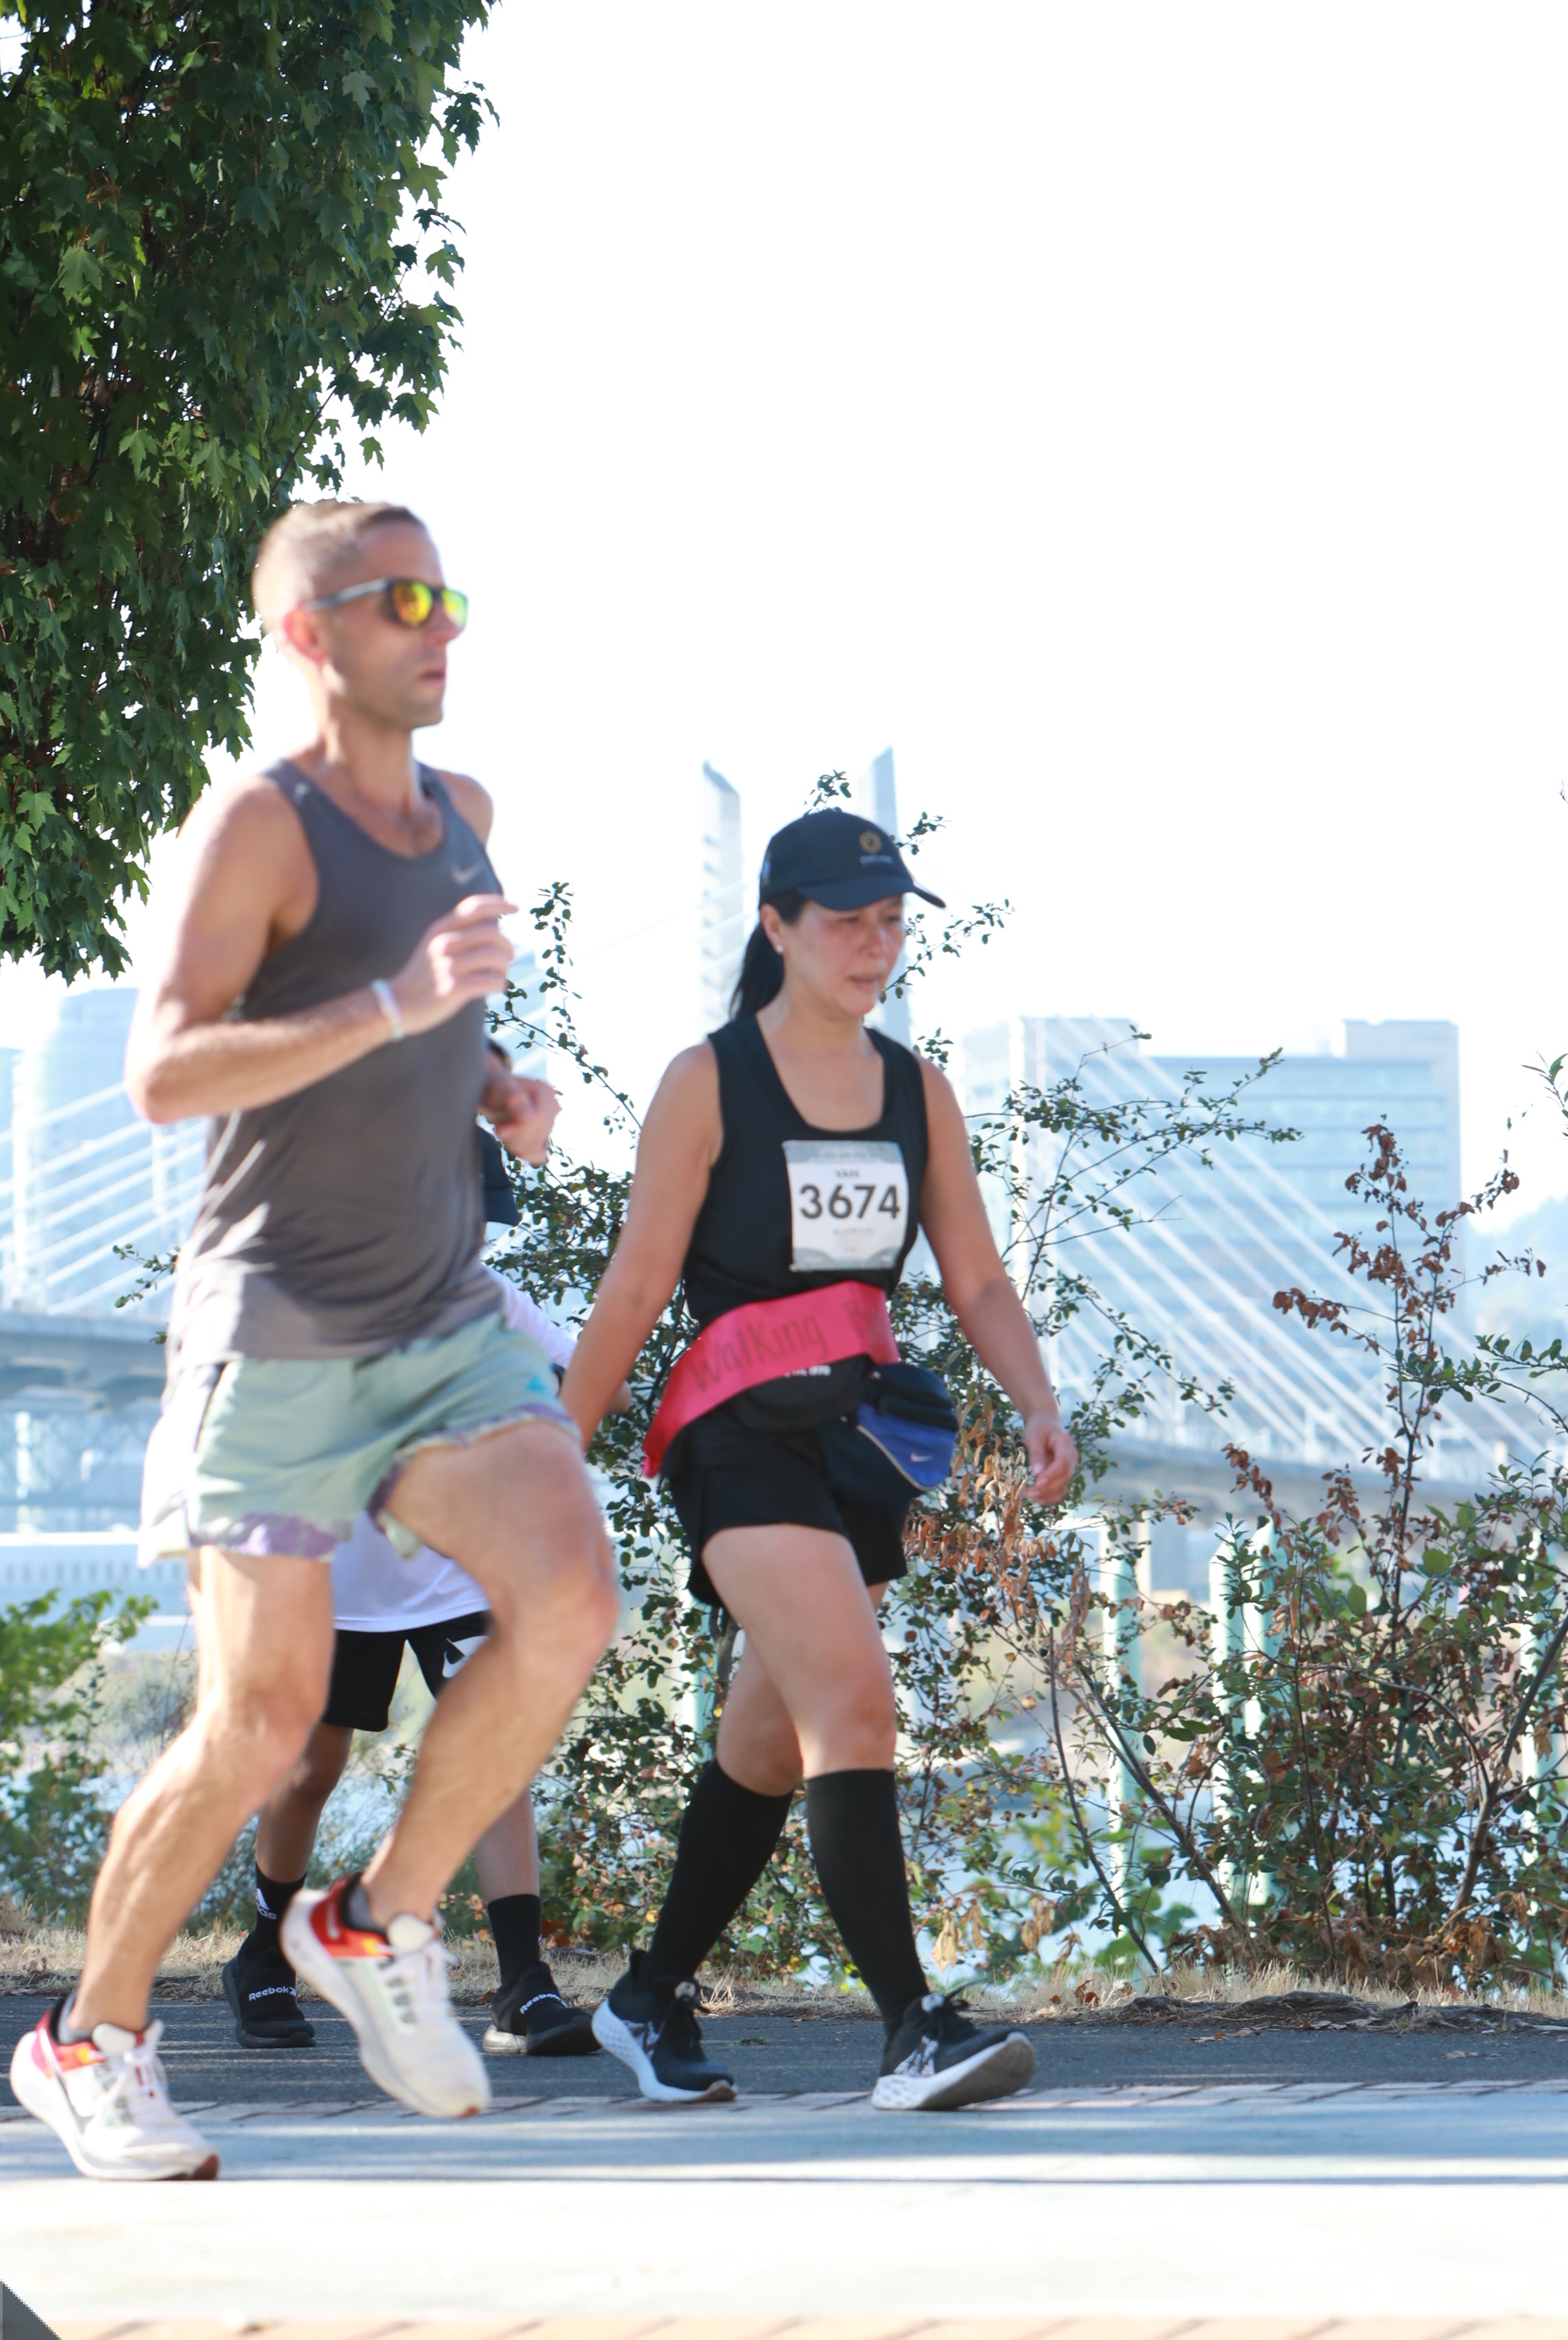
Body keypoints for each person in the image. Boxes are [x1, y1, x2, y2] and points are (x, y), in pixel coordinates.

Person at [8, 497, 619, 2181]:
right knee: (261, 1722)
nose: (440, 625)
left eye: (447, 596)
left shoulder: (464, 819)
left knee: (570, 1598)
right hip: (275, 1327)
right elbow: (165, 1069)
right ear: (307, 635)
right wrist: (398, 1005)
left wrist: (492, 1087)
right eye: (398, 599)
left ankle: (372, 1919)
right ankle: (87, 2039)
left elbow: (432, 1038)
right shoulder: (261, 828)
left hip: (438, 1313)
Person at [561, 807, 1078, 2112]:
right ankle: (913, 2030)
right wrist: (555, 1450)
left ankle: (645, 1997)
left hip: (852, 1443)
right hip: (735, 1439)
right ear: (777, 926)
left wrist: (1037, 1400)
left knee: (771, 1744)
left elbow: (976, 1277)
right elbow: (635, 1285)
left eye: (892, 922)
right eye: (847, 921)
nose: (875, 945)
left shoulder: (917, 1091)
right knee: (853, 1701)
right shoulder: (708, 1081)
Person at [223, 1075, 609, 2058]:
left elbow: (581, 1382)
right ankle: (263, 1953)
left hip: (458, 1575)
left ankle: (522, 1984)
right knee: (311, 1768)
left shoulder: (491, 1303)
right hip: (338, 1579)